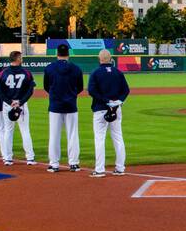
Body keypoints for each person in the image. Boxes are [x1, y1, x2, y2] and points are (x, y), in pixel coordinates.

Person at [88, 49, 130, 177]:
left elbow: (92, 91)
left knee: (99, 139)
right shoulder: (118, 72)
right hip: (116, 109)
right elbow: (126, 90)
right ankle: (120, 168)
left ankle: (100, 169)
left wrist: (106, 101)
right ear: (110, 59)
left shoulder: (96, 72)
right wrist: (118, 102)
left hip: (100, 109)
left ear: (99, 59)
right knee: (118, 137)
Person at [43, 43, 84, 172]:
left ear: (57, 54)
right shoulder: (76, 68)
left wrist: (55, 95)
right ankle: (74, 163)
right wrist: (71, 95)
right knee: (73, 135)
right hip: (71, 105)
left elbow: (46, 86)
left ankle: (54, 164)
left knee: (54, 135)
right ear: (68, 54)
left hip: (55, 105)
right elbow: (80, 87)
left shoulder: (49, 68)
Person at [0, 51, 37, 166]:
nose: (22, 59)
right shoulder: (26, 73)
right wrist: (20, 102)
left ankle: (7, 158)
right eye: (21, 57)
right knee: (25, 131)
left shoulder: (2, 73)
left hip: (7, 106)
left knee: (8, 131)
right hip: (21, 105)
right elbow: (30, 90)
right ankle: (30, 158)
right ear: (18, 59)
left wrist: (10, 102)